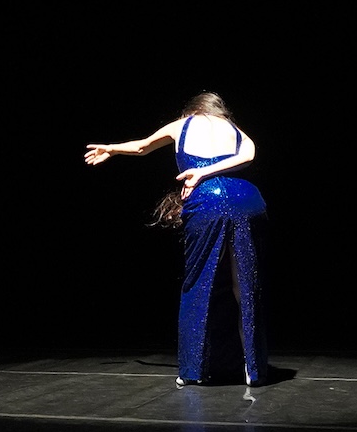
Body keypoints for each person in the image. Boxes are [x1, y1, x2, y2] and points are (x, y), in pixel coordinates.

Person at [83, 91, 269, 387]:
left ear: (192, 110)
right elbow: (249, 154)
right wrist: (209, 170)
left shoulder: (181, 124)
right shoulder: (234, 129)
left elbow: (143, 147)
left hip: (207, 200)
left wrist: (113, 149)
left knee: (197, 282)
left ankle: (192, 370)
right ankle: (254, 369)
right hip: (248, 199)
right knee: (243, 284)